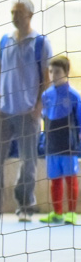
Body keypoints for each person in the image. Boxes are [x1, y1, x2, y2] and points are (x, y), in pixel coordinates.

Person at [0, 0, 51, 222]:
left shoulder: (40, 42)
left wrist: (38, 106)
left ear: (29, 15)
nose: (14, 17)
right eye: (12, 12)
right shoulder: (5, 40)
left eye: (18, 13)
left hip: (27, 111)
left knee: (27, 161)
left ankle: (25, 206)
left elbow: (45, 78)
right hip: (3, 111)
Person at [39, 56, 80, 224]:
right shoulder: (46, 95)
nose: (53, 75)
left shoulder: (73, 95)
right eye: (50, 71)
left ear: (66, 73)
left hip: (68, 144)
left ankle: (71, 212)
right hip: (52, 143)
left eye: (57, 71)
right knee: (54, 179)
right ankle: (57, 212)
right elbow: (44, 118)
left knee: (70, 178)